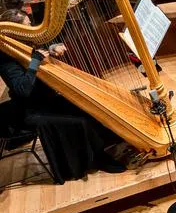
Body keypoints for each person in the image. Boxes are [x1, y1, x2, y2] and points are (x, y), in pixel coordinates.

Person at [0, 9, 127, 182]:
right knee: (80, 121)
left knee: (86, 106)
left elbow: (35, 57)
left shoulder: (23, 45)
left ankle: (107, 144)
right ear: (16, 32)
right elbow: (23, 89)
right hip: (33, 111)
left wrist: (51, 49)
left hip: (46, 101)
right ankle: (96, 159)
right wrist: (36, 61)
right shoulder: (5, 59)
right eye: (27, 27)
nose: (31, 29)